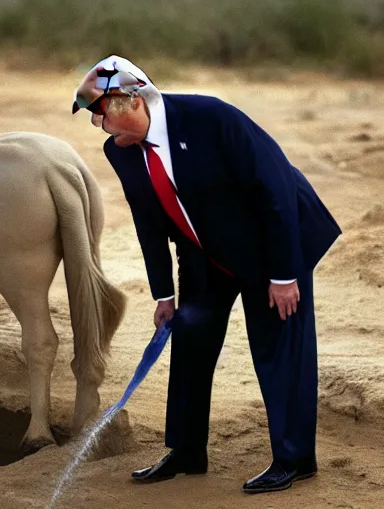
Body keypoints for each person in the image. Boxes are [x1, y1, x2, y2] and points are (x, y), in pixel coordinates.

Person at [72, 55, 341, 494]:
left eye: (100, 114)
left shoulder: (211, 118)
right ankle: (186, 451)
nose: (98, 126)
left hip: (271, 246)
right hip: (203, 253)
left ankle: (295, 459)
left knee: (280, 349)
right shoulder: (119, 152)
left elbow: (273, 189)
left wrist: (284, 273)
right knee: (191, 339)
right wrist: (163, 294)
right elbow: (148, 222)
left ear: (130, 101)